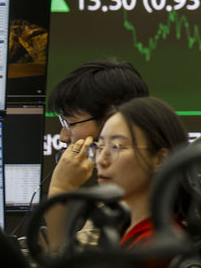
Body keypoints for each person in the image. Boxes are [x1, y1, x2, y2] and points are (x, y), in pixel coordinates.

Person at [45, 58, 149, 247]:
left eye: (71, 123)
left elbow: (61, 258)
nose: (63, 137)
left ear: (114, 120)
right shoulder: (163, 182)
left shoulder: (127, 205)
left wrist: (60, 189)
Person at [91, 96, 188, 256]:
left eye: (116, 147)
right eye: (100, 147)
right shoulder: (125, 230)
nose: (101, 160)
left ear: (160, 158)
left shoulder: (154, 246)